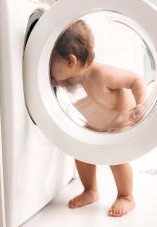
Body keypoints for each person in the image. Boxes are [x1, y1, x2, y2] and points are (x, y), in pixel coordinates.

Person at [50, 20, 147, 217]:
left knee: (116, 158)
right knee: (81, 152)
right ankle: (90, 190)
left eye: (50, 62)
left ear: (71, 61)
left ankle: (126, 196)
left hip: (119, 123)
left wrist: (141, 104)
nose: (47, 68)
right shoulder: (70, 77)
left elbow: (135, 79)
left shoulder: (101, 74)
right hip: (94, 125)